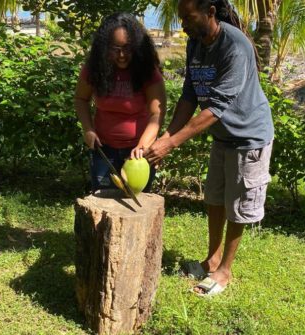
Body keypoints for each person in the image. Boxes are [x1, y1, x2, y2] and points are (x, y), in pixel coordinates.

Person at [145, 0, 274, 296]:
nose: (183, 25)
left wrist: (171, 143)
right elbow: (190, 96)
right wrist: (165, 138)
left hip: (248, 137)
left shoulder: (235, 46)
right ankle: (212, 259)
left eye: (188, 18)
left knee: (238, 207)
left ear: (210, 13)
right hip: (222, 137)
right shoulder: (196, 44)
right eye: (181, 19)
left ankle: (224, 271)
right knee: (214, 199)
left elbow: (216, 106)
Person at [75, 12, 166, 192]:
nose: (122, 55)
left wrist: (143, 144)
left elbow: (158, 113)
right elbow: (80, 99)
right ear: (104, 47)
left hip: (138, 154)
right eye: (115, 49)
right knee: (102, 204)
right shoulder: (94, 69)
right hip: (103, 151)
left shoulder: (148, 71)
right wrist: (88, 129)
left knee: (136, 208)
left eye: (127, 48)